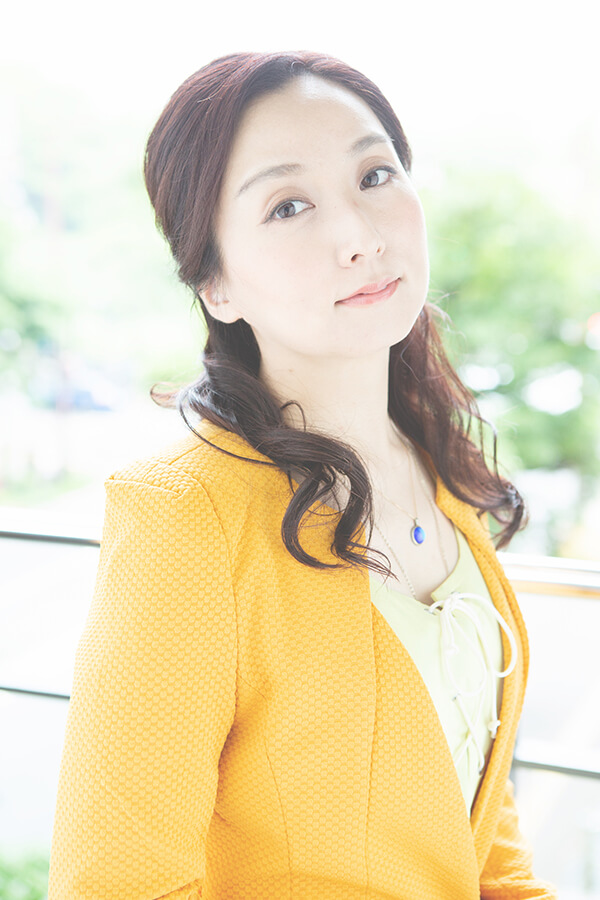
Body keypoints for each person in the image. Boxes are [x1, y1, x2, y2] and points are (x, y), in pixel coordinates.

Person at [48, 51, 558, 899]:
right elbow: (118, 882)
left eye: (375, 174)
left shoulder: (435, 464)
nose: (361, 235)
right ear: (215, 283)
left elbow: (476, 819)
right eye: (288, 205)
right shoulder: (184, 515)